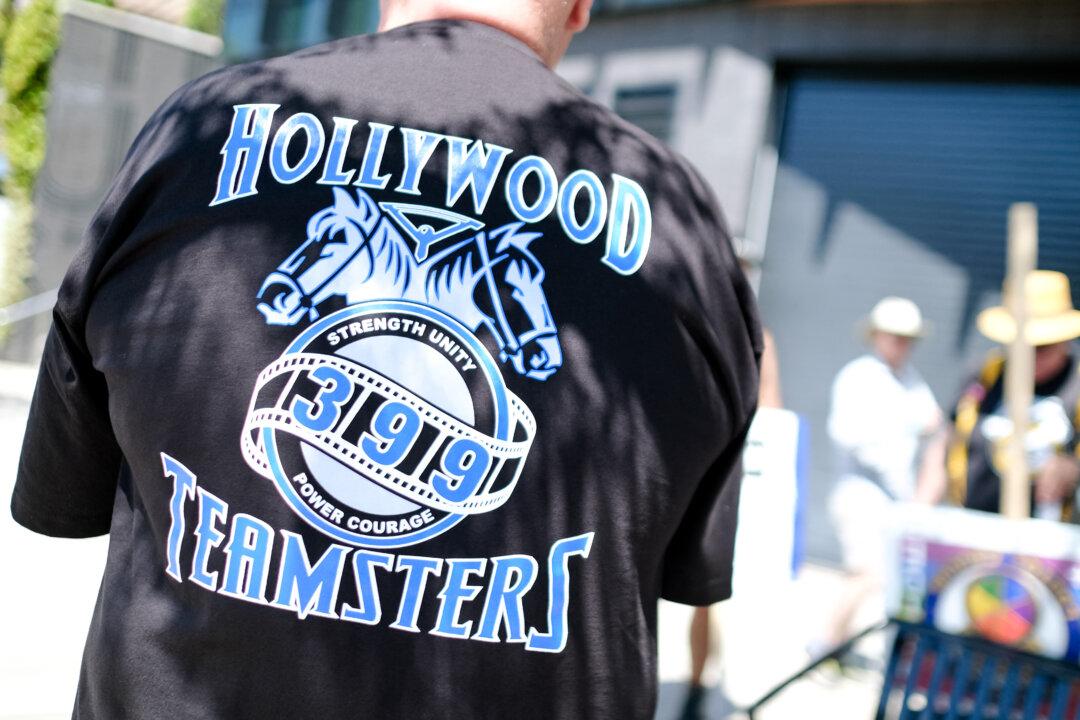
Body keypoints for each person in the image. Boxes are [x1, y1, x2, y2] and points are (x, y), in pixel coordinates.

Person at [9, 2, 762, 718]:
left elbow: (67, 491)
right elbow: (665, 565)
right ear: (580, 7)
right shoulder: (684, 229)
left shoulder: (197, 133)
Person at [821, 297, 944, 652]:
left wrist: (924, 489)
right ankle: (825, 644)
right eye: (894, 335)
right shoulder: (859, 376)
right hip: (861, 494)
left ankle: (837, 644)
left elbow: (935, 425)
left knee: (884, 577)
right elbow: (849, 435)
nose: (901, 343)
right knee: (867, 572)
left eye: (908, 337)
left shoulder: (911, 381)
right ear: (876, 335)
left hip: (898, 501)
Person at [682, 328, 781, 719]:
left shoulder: (757, 335)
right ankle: (696, 684)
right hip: (690, 463)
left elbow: (770, 411)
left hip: (722, 469)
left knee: (707, 593)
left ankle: (697, 683)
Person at [932, 270, 1080, 521]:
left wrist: (1072, 468)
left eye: (1042, 348)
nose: (1029, 357)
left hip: (1048, 535)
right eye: (1020, 346)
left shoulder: (1075, 382)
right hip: (973, 523)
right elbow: (946, 438)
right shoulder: (984, 374)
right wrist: (919, 511)